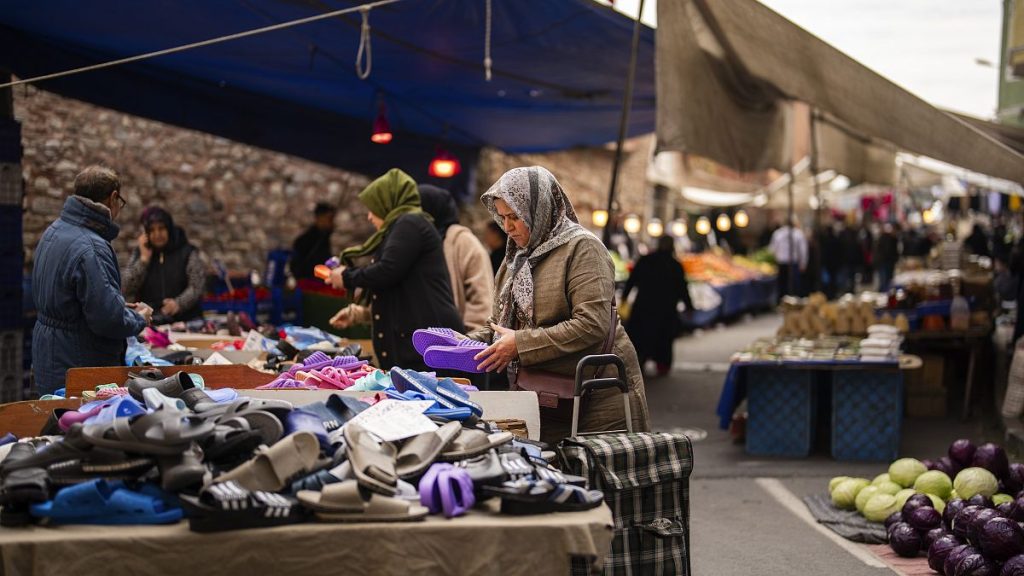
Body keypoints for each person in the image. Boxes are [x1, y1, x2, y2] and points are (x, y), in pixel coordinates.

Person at [467, 166, 650, 445]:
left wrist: (521, 344)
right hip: (542, 393)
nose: (507, 227)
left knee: (599, 478)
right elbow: (500, 326)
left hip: (598, 394)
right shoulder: (514, 260)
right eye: (502, 217)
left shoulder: (583, 249)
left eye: (515, 217)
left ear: (538, 210)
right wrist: (464, 344)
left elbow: (592, 324)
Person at [326, 169, 463, 370]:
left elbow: (387, 270)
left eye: (373, 208)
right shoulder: (404, 226)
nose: (370, 216)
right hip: (420, 348)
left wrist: (346, 277)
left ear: (387, 203)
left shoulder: (410, 223)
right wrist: (360, 312)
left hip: (426, 350)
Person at [32, 166, 151, 395]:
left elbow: (68, 298)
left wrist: (118, 305)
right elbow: (107, 319)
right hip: (78, 361)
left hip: (49, 356)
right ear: (114, 197)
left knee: (55, 420)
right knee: (80, 423)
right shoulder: (92, 246)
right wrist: (139, 318)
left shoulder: (54, 231)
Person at [418, 184, 495, 331]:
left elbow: (481, 299)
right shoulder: (418, 243)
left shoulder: (463, 243)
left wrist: (466, 341)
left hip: (457, 344)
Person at [622, 235, 693, 377]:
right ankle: (662, 365)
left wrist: (624, 297)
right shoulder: (675, 265)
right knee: (664, 340)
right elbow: (682, 288)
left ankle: (639, 362)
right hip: (665, 310)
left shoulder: (646, 260)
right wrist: (689, 306)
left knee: (640, 338)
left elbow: (631, 280)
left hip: (643, 307)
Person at [122, 207, 206, 324]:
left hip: (186, 320)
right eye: (152, 230)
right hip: (151, 321)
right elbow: (126, 287)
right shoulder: (141, 253)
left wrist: (178, 303)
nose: (157, 234)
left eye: (161, 229)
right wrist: (143, 260)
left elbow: (196, 285)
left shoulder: (186, 252)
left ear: (169, 229)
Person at [289, 202, 336, 280]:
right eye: (329, 218)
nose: (331, 222)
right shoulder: (306, 240)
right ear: (319, 218)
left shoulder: (324, 238)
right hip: (309, 283)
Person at [769, 218, 808, 300]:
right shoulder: (798, 234)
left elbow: (772, 250)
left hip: (781, 263)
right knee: (793, 287)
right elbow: (803, 250)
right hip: (793, 264)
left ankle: (782, 302)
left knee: (782, 286)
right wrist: (803, 264)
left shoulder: (777, 233)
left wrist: (776, 259)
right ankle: (793, 302)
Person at [875, 222, 900, 293]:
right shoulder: (886, 238)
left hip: (887, 262)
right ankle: (883, 293)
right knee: (884, 280)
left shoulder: (892, 238)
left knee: (887, 279)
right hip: (885, 262)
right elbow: (886, 251)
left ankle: (885, 292)